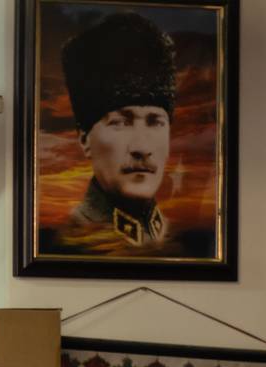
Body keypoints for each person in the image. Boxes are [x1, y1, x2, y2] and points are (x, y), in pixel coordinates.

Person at [52, 12, 179, 254]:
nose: (141, 147)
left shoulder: (178, 240)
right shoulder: (64, 246)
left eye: (155, 121)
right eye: (120, 122)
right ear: (84, 138)